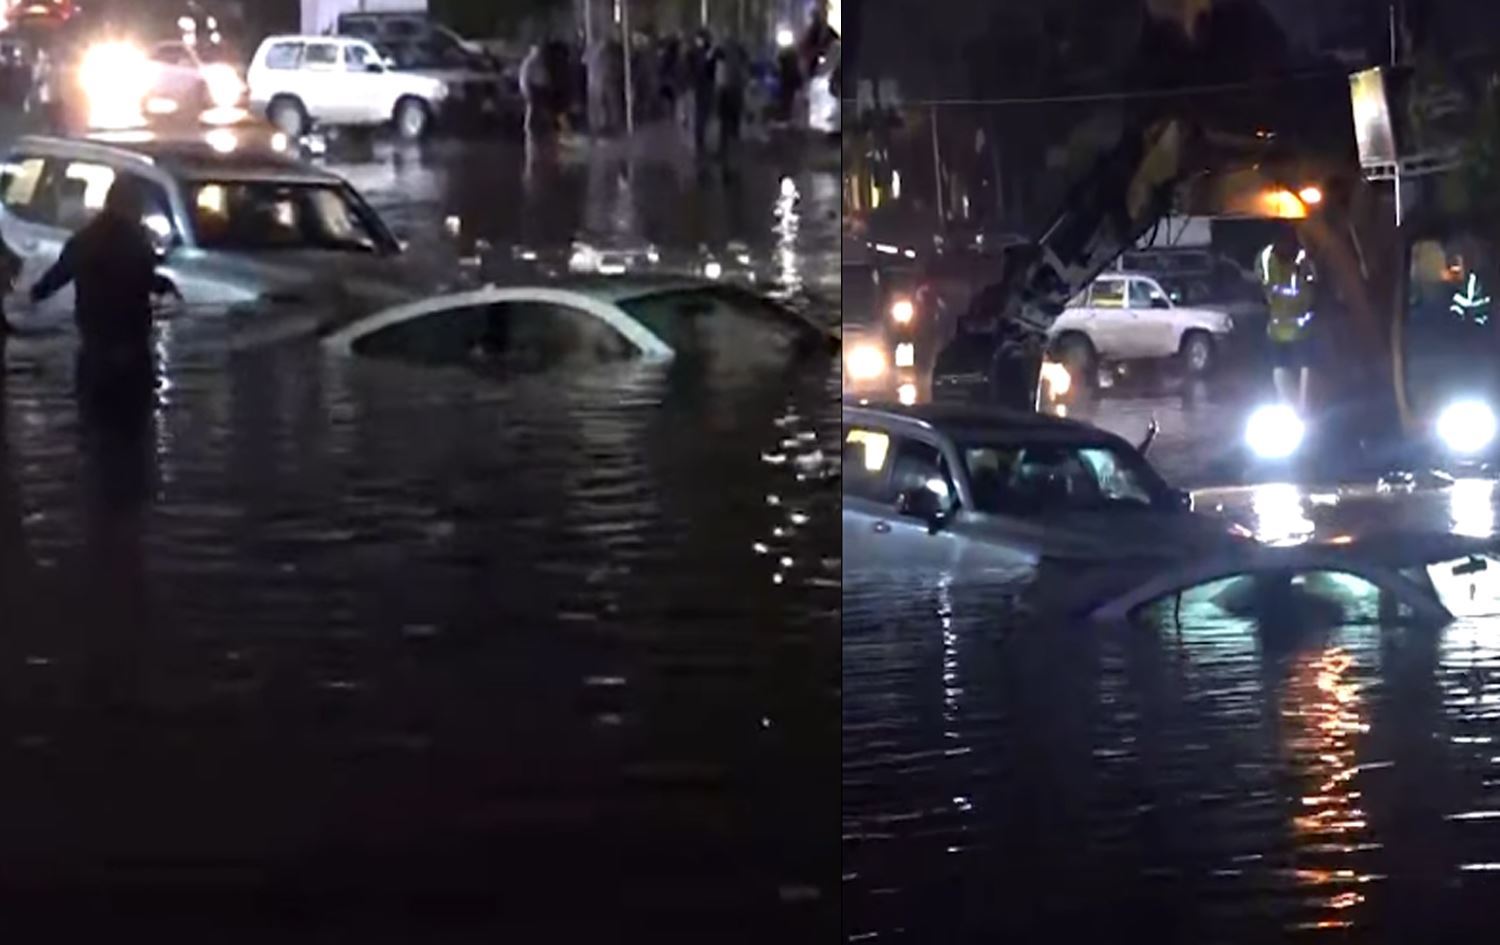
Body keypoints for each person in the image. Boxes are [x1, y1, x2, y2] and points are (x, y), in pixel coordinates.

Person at [28, 177, 174, 419]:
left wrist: (33, 295)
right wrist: (163, 285)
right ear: (129, 206)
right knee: (134, 429)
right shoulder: (136, 242)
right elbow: (141, 279)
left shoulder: (84, 240)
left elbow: (57, 276)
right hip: (130, 349)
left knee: (94, 425)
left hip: (95, 347)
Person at [1257, 233, 1317, 411]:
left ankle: (1301, 410)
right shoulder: (1268, 259)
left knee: (1298, 372)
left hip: (1299, 333)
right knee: (1284, 372)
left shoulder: (1304, 260)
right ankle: (1295, 410)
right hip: (1285, 333)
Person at [712, 37, 748, 158]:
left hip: (726, 93)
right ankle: (732, 151)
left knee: (726, 124)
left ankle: (725, 150)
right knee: (732, 123)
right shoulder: (737, 60)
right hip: (733, 93)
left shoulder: (722, 58)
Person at [519, 42, 552, 143]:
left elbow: (545, 75)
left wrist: (547, 84)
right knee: (532, 109)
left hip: (541, 88)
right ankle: (529, 131)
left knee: (542, 110)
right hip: (532, 88)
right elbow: (523, 78)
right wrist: (526, 90)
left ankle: (541, 131)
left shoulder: (542, 62)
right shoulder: (529, 62)